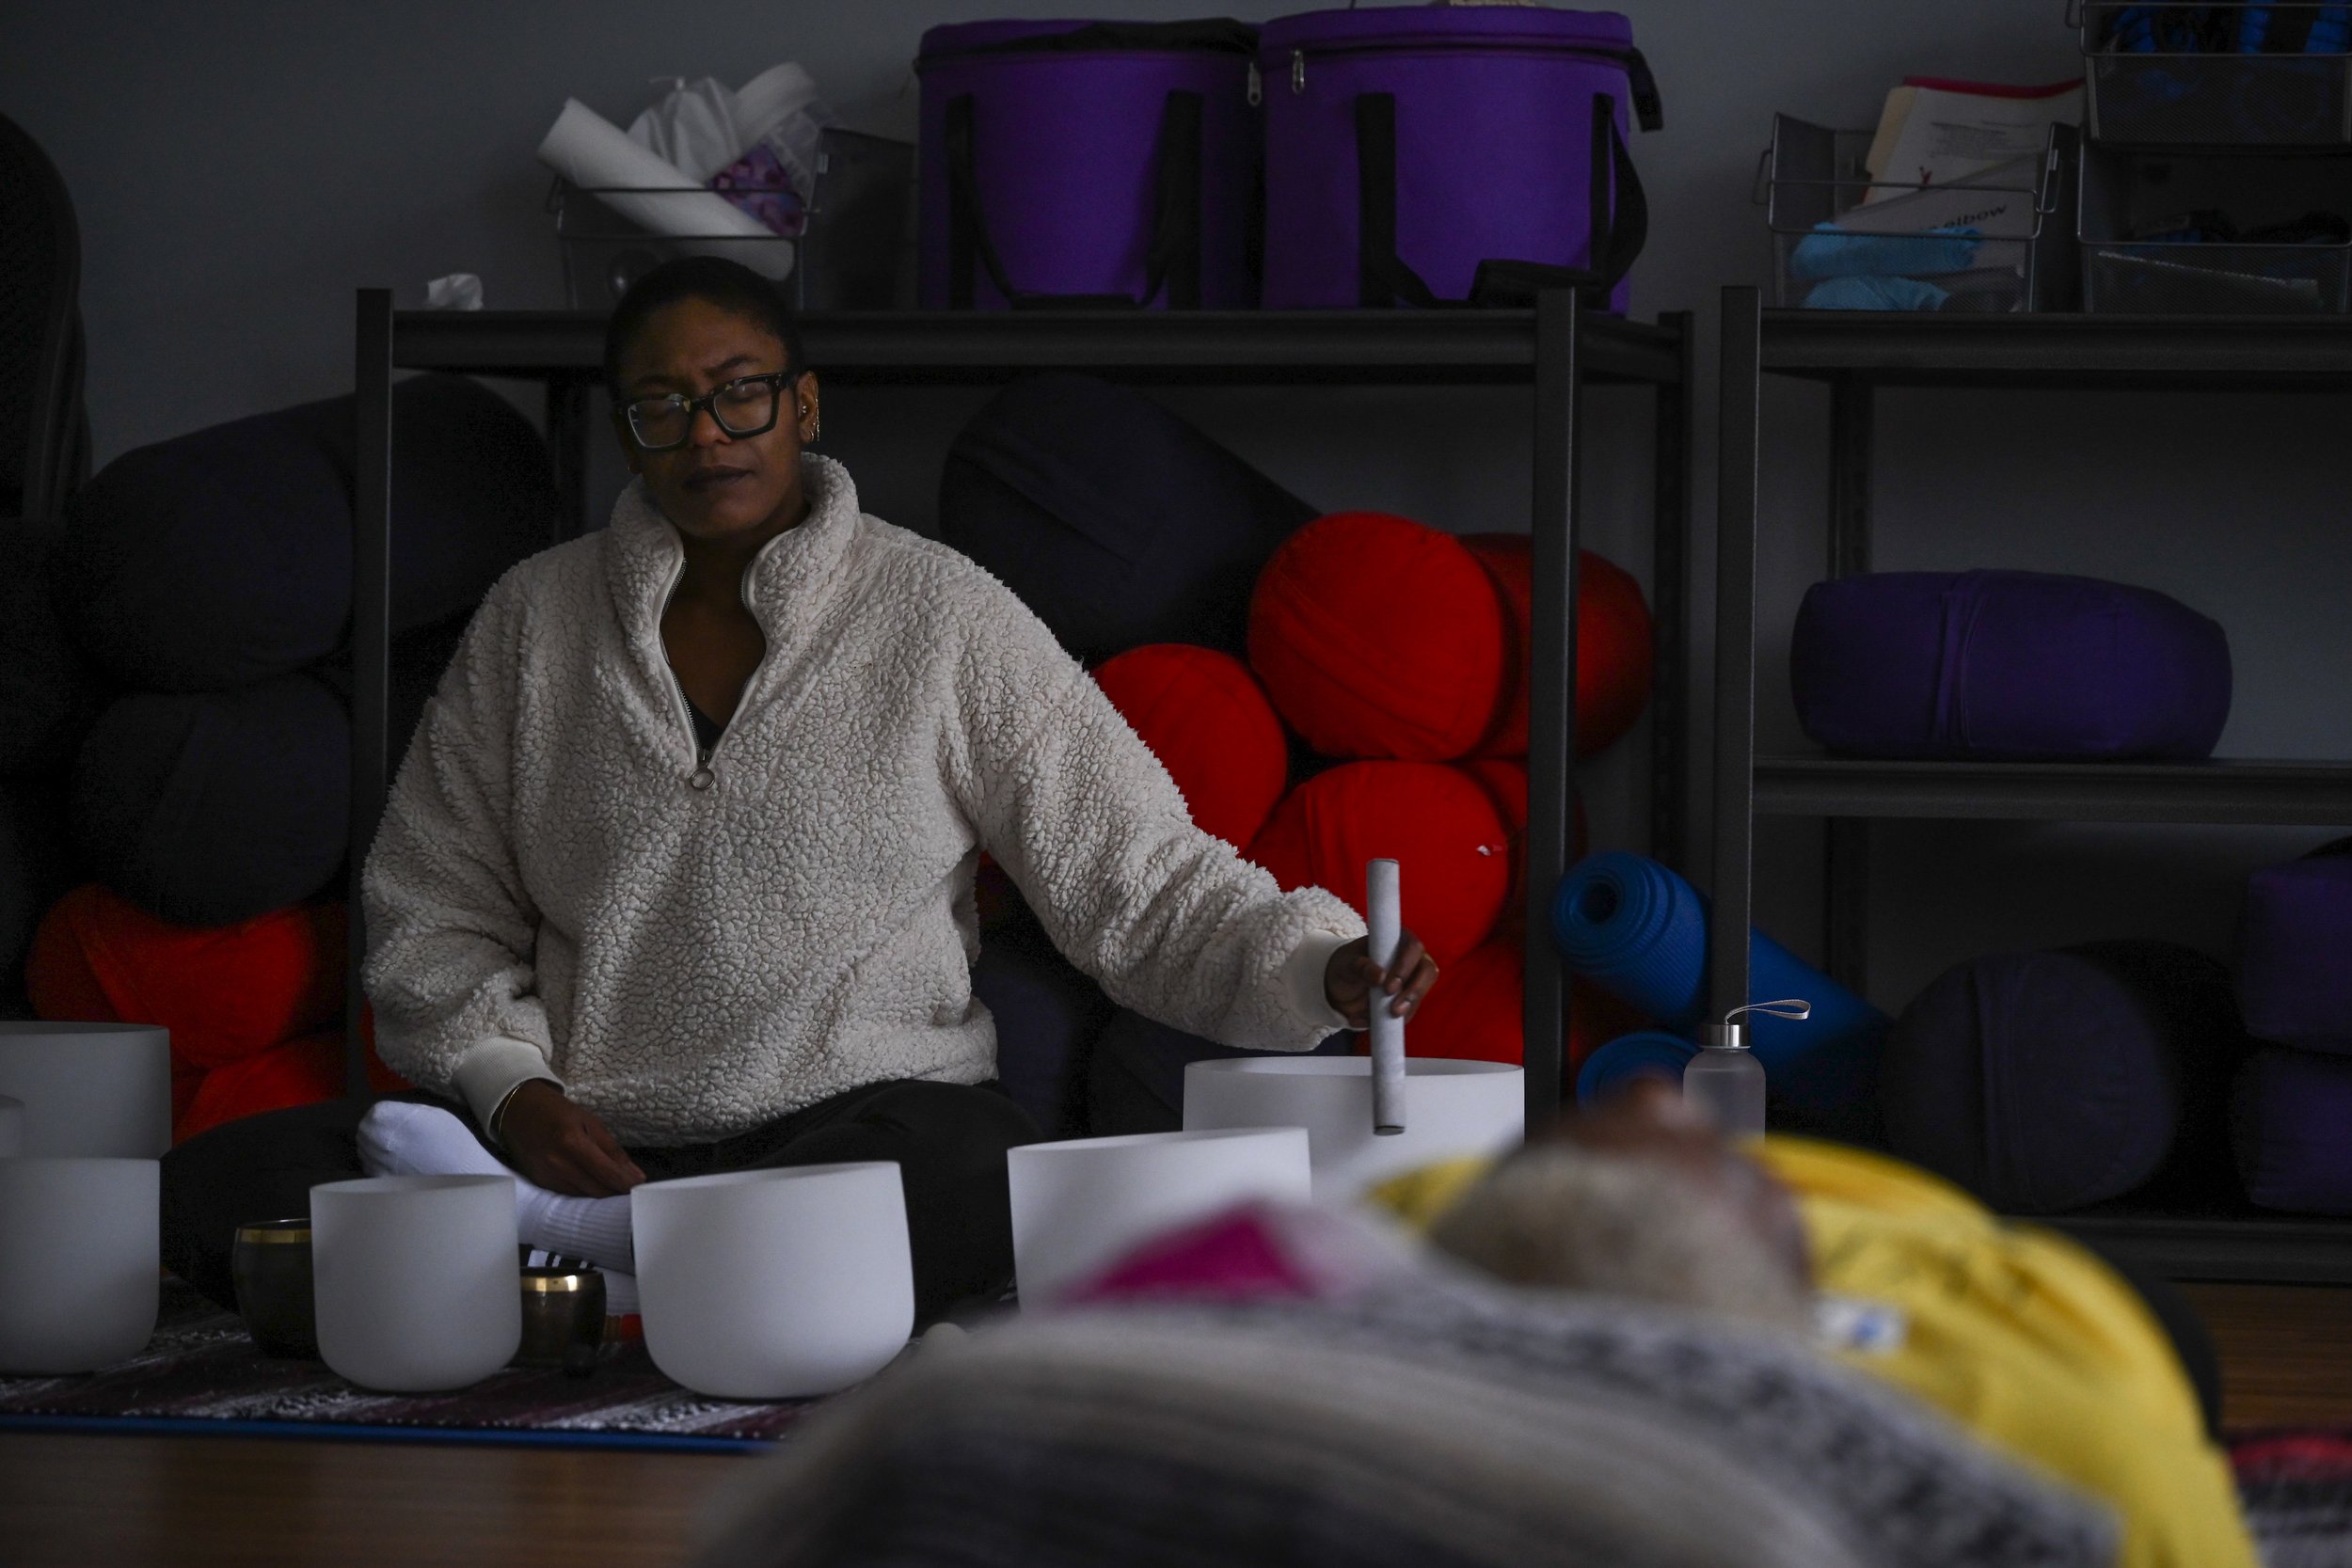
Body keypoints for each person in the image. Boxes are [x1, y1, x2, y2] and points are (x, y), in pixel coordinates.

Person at [162, 256, 1436, 1323]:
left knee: (977, 1172)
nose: (706, 434)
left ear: (804, 405)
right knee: (209, 1191)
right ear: (627, 432)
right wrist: (514, 1088)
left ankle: (563, 1252)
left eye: (740, 395)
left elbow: (1138, 874)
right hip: (589, 1127)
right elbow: (433, 902)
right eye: (663, 406)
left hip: (853, 1131)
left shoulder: (941, 614)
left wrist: (1317, 960)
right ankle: (629, 1247)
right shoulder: (532, 622)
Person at [1375, 1080, 2260, 1568]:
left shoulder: (1427, 1214)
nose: (1657, 1090)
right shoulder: (2088, 1467)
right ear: (1806, 1284)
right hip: (2073, 1310)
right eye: (1726, 1162)